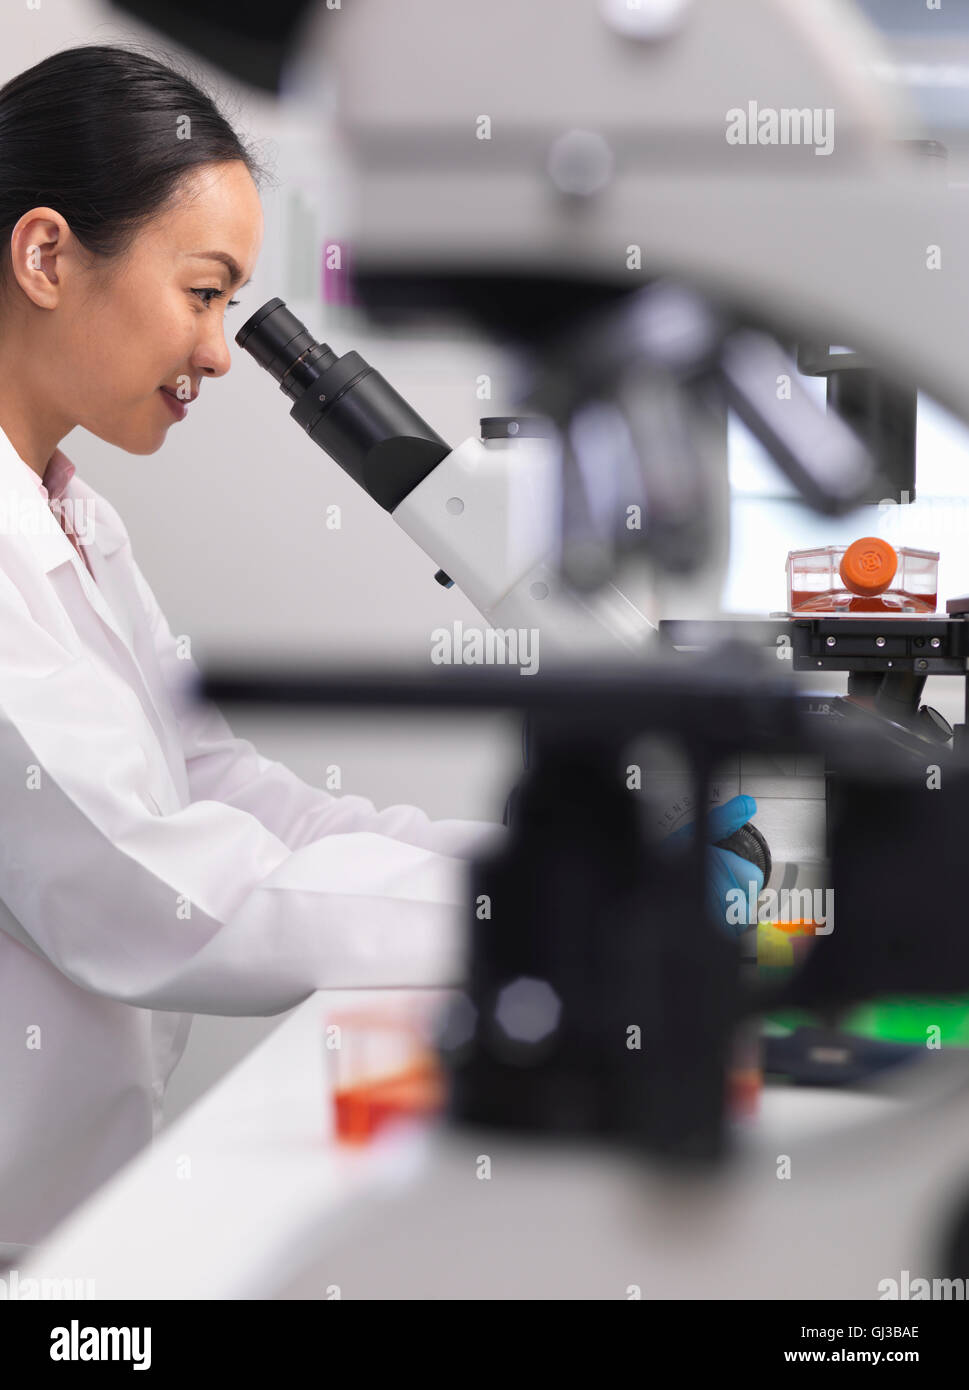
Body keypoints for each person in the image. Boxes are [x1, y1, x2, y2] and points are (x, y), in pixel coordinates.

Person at [0, 43, 762, 1260]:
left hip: (60, 1209)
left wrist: (527, 867)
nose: (215, 353)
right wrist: (542, 920)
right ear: (46, 256)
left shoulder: (71, 515)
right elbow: (156, 890)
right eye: (203, 294)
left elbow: (230, 795)